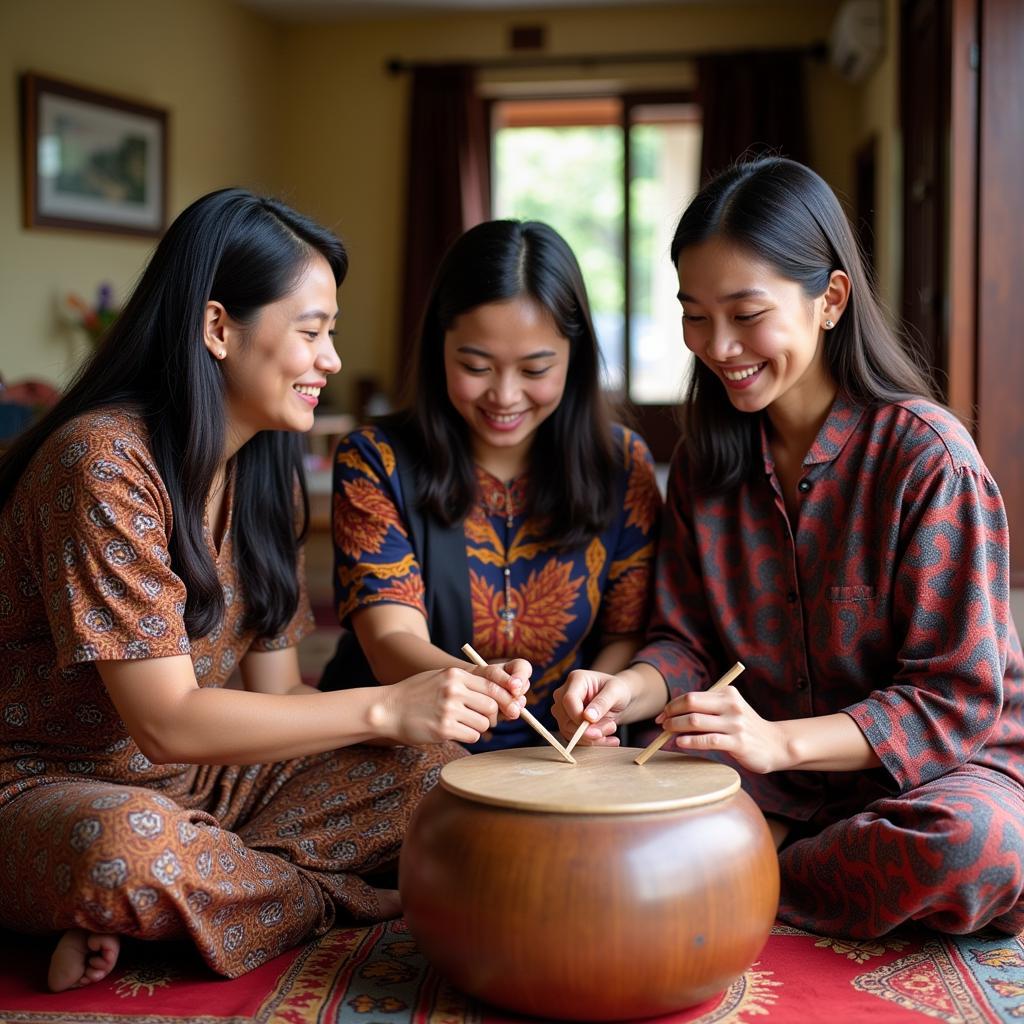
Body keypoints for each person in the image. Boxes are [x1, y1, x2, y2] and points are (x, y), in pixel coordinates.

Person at [0, 189, 528, 992]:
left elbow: (277, 698)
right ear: (218, 328)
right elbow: (168, 721)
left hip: (207, 786)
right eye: (312, 333)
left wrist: (419, 722)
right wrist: (385, 703)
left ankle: (189, 902)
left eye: (332, 335)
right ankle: (310, 895)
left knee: (431, 772)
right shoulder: (103, 465)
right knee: (128, 853)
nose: (332, 360)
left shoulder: (263, 472)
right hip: (47, 787)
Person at [553, 157, 1024, 938]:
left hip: (935, 778)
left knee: (977, 847)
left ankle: (739, 874)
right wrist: (623, 690)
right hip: (763, 780)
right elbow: (685, 644)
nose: (717, 344)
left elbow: (954, 699)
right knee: (610, 805)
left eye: (745, 312)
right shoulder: (707, 460)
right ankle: (745, 865)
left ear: (829, 299)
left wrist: (779, 743)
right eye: (694, 314)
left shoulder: (928, 459)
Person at [322, 220, 661, 750]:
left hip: (560, 748)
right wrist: (474, 685)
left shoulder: (621, 464)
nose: (504, 395)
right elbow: (391, 640)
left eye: (534, 369)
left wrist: (599, 704)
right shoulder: (376, 460)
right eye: (476, 366)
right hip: (402, 746)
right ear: (441, 346)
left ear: (574, 357)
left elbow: (627, 635)